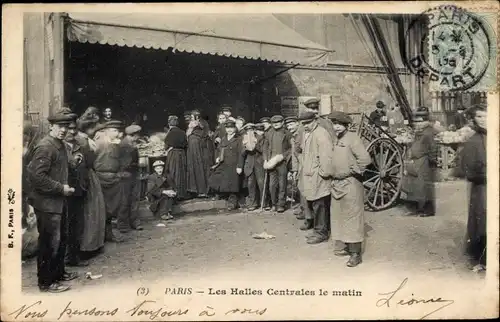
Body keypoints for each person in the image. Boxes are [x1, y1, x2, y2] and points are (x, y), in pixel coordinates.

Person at [27, 109, 79, 293]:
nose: (64, 130)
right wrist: (60, 188)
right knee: (49, 243)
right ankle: (46, 282)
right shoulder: (45, 146)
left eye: (66, 127)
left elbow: (58, 167)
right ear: (51, 126)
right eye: (60, 126)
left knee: (60, 240)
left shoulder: (60, 144)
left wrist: (72, 162)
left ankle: (58, 274)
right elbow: (36, 177)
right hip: (47, 203)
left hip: (58, 202)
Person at [329, 111, 371, 267]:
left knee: (352, 218)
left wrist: (354, 170)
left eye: (339, 124)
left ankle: (355, 254)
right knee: (339, 216)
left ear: (346, 125)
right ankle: (345, 246)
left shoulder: (353, 138)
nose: (336, 127)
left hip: (350, 184)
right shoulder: (336, 139)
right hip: (336, 184)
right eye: (334, 124)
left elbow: (365, 159)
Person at [298, 112, 335, 245]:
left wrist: (323, 173)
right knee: (315, 203)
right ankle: (319, 229)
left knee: (320, 204)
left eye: (307, 123)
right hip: (311, 174)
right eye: (303, 124)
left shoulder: (321, 134)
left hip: (318, 175)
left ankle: (321, 233)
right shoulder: (309, 133)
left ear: (315, 121)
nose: (305, 126)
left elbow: (326, 156)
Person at [75, 116, 106, 255]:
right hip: (87, 174)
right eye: (93, 128)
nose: (94, 130)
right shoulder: (83, 140)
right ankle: (89, 245)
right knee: (91, 211)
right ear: (87, 128)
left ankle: (91, 244)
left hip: (89, 173)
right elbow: (88, 159)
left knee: (92, 210)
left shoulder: (84, 139)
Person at [461, 104, 487, 270]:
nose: (484, 120)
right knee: (483, 222)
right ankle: (483, 259)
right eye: (479, 117)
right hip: (483, 188)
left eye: (486, 116)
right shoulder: (473, 142)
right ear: (473, 120)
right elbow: (469, 171)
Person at [93, 120, 126, 243]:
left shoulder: (116, 143)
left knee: (112, 207)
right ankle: (102, 236)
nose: (117, 133)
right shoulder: (100, 143)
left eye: (118, 130)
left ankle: (109, 233)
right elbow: (92, 158)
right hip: (102, 177)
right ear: (107, 131)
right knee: (103, 207)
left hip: (114, 178)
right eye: (115, 130)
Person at [402, 107, 437, 217]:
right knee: (414, 186)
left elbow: (433, 148)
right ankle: (415, 208)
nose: (416, 123)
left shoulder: (428, 132)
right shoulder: (420, 131)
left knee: (424, 187)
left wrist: (432, 161)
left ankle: (428, 210)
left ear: (425, 121)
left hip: (423, 161)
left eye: (419, 121)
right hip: (416, 161)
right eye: (415, 121)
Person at [64, 120, 90, 267]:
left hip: (79, 190)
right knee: (66, 226)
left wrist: (84, 184)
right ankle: (66, 259)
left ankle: (73, 258)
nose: (72, 132)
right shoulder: (60, 148)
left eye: (74, 129)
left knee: (76, 225)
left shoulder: (80, 146)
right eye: (68, 129)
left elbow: (87, 166)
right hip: (65, 192)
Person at [209, 120, 244, 210]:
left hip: (234, 165)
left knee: (233, 185)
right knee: (219, 180)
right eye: (228, 128)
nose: (229, 130)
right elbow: (219, 150)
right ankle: (225, 197)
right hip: (224, 164)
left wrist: (240, 166)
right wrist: (217, 158)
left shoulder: (239, 139)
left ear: (235, 129)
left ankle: (233, 203)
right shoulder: (224, 138)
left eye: (231, 128)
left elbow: (241, 153)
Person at [263, 115, 291, 213]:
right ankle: (274, 203)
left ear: (282, 123)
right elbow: (265, 148)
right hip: (271, 162)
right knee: (272, 185)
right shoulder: (268, 133)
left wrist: (283, 156)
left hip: (282, 162)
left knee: (282, 184)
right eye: (274, 123)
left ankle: (281, 204)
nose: (276, 124)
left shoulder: (287, 133)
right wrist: (265, 160)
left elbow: (291, 148)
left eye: (278, 122)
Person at [118, 124, 143, 232]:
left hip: (132, 174)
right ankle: (123, 223)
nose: (138, 137)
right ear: (133, 135)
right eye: (138, 135)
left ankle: (134, 221)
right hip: (126, 175)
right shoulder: (125, 146)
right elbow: (125, 163)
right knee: (125, 199)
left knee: (134, 199)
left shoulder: (130, 144)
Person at [239, 123, 265, 211]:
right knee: (251, 184)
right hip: (249, 164)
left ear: (254, 130)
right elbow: (241, 154)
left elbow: (263, 150)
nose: (249, 132)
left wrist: (255, 144)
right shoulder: (243, 138)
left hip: (259, 163)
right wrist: (245, 146)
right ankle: (253, 203)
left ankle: (264, 202)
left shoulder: (260, 138)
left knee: (261, 183)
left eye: (251, 130)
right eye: (247, 130)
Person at [284, 116, 305, 219]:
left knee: (305, 188)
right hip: (300, 165)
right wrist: (295, 169)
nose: (289, 127)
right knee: (300, 187)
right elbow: (294, 154)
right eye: (287, 125)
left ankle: (306, 212)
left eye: (291, 124)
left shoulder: (303, 134)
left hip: (306, 165)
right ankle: (303, 208)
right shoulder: (293, 136)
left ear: (297, 123)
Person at [164, 115, 188, 200]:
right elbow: (185, 144)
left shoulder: (169, 133)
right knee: (181, 173)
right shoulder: (183, 132)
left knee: (173, 172)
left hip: (173, 154)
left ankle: (175, 194)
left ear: (169, 124)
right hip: (182, 154)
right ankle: (182, 194)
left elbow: (166, 146)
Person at [186, 116, 210, 197]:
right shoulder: (205, 135)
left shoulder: (192, 137)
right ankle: (205, 190)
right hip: (205, 158)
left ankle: (199, 191)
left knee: (197, 172)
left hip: (196, 158)